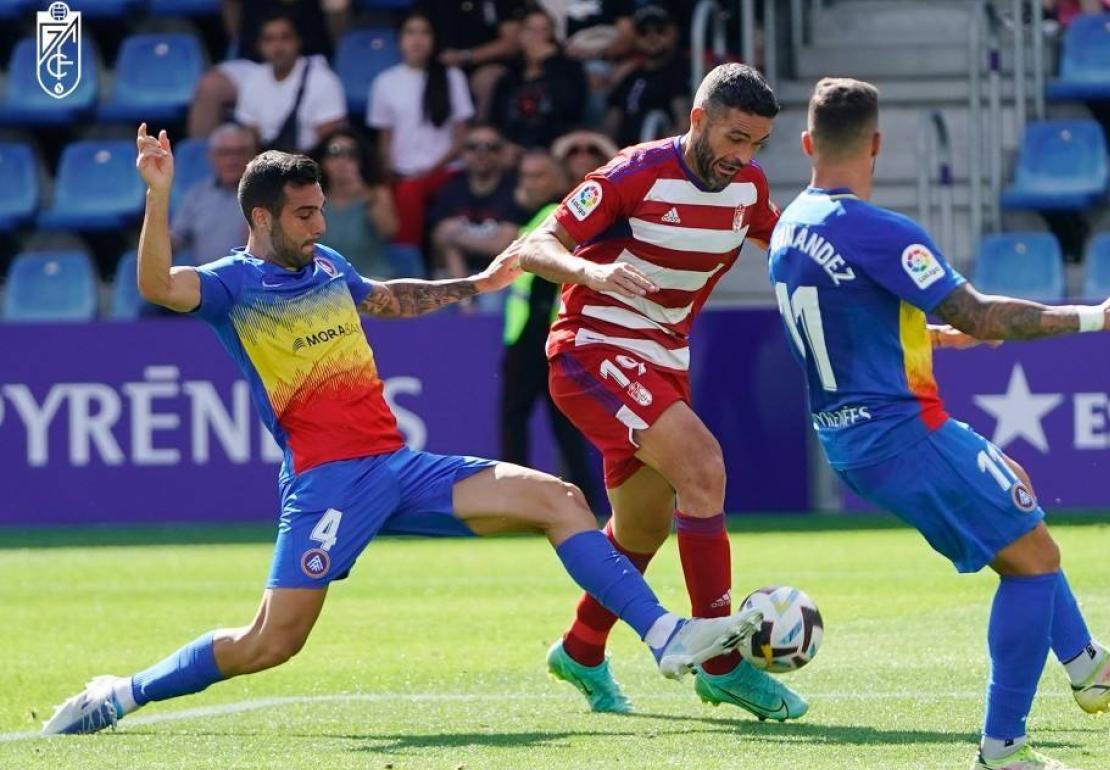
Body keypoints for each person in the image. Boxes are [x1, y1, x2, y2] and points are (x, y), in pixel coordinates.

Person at [38, 124, 765, 736]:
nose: (320, 225)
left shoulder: (327, 264)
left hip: (397, 466)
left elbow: (388, 300)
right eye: (303, 215)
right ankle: (122, 694)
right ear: (259, 219)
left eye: (320, 210)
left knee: (560, 498)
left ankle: (665, 635)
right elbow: (159, 287)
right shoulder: (232, 284)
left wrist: (478, 285)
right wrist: (158, 195)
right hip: (328, 483)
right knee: (271, 643)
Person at [768, 78, 1110, 770]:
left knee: (1016, 501)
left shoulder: (789, 225)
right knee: (1034, 562)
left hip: (850, 435)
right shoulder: (879, 231)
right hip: (901, 433)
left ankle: (1087, 664)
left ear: (806, 144)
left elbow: (844, 316)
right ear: (876, 145)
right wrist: (1103, 314)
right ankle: (1003, 749)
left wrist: (923, 338)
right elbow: (982, 314)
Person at [513, 63, 807, 720]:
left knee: (643, 526)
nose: (743, 156)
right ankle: (723, 664)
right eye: (734, 137)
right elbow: (536, 247)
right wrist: (591, 268)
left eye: (755, 143)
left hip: (663, 362)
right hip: (592, 348)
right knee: (703, 467)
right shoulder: (633, 173)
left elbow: (791, 250)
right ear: (698, 119)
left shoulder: (749, 189)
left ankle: (581, 648)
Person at [501, 150, 597, 508]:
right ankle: (584, 501)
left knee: (527, 421)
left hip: (544, 334)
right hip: (529, 333)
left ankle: (516, 500)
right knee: (558, 424)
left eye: (538, 175)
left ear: (556, 180)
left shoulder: (554, 215)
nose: (529, 183)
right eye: (525, 176)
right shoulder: (531, 215)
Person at [367, 11, 475, 249]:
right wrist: (386, 173)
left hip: (445, 170)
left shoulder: (451, 76)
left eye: (424, 32)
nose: (417, 39)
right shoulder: (384, 82)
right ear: (399, 39)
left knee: (409, 192)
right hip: (401, 172)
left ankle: (408, 263)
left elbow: (461, 137)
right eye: (410, 32)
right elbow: (385, 138)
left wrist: (429, 169)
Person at [233, 12, 348, 153]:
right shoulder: (252, 81)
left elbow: (329, 142)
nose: (278, 46)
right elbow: (250, 139)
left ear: (298, 41)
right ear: (259, 46)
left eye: (285, 38)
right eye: (269, 39)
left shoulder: (324, 81)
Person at [428, 124, 524, 282]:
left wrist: (457, 237)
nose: (482, 153)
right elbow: (440, 239)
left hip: (501, 275)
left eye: (491, 147)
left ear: (503, 152)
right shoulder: (450, 190)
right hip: (456, 275)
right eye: (473, 147)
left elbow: (504, 246)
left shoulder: (515, 191)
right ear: (462, 152)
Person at [487, 8, 588, 149]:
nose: (537, 37)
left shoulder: (569, 69)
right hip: (512, 148)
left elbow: (570, 110)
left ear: (552, 36)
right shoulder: (510, 74)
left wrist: (549, 62)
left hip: (554, 145)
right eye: (531, 30)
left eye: (544, 30)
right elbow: (496, 118)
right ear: (520, 35)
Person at [311, 129, 398, 279]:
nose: (343, 161)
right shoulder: (311, 199)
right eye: (335, 153)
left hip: (371, 283)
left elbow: (388, 231)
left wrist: (365, 195)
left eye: (352, 154)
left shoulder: (376, 193)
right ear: (323, 161)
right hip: (324, 285)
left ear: (361, 161)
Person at [604, 5, 691, 148]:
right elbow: (611, 124)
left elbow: (683, 123)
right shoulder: (629, 77)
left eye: (660, 30)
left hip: (660, 156)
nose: (652, 37)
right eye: (643, 32)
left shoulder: (682, 71)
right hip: (626, 157)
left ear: (673, 32)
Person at [171, 122, 255, 265]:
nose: (232, 161)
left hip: (258, 281)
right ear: (212, 157)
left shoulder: (270, 195)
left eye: (240, 152)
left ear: (252, 156)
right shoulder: (196, 196)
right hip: (206, 282)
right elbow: (175, 240)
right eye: (224, 153)